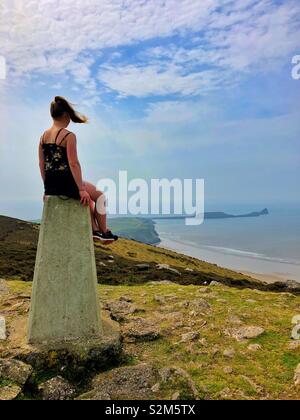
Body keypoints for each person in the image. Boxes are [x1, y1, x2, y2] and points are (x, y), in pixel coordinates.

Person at [38, 96, 118, 243]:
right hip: (68, 183)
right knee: (100, 196)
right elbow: (74, 163)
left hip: (52, 186)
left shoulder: (42, 137)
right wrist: (81, 189)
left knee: (89, 200)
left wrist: (46, 189)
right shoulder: (68, 136)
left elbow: (41, 164)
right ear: (66, 115)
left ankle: (95, 231)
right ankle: (104, 231)